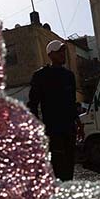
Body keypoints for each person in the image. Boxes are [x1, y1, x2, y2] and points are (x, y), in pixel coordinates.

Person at [28, 40, 83, 181]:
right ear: (50, 55)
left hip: (69, 130)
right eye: (59, 52)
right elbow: (32, 104)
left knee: (69, 166)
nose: (62, 54)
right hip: (53, 131)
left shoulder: (69, 76)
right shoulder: (41, 76)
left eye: (63, 51)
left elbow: (72, 102)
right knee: (57, 167)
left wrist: (78, 123)